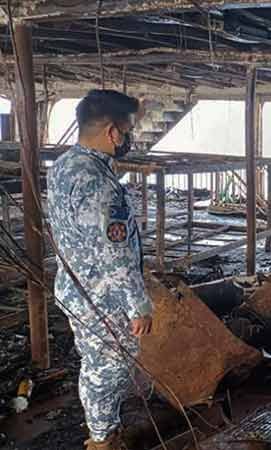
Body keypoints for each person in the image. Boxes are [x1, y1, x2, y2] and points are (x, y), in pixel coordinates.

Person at [47, 90, 151, 450]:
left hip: (75, 286)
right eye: (129, 130)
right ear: (112, 132)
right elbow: (115, 254)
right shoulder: (99, 185)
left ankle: (104, 430)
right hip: (102, 297)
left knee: (95, 362)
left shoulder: (64, 166)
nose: (129, 139)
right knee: (109, 368)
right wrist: (138, 305)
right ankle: (103, 439)